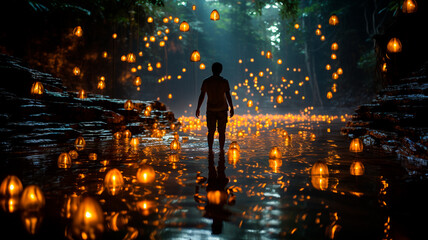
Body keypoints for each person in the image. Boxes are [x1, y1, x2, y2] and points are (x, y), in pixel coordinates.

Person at [196, 62, 234, 153]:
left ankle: (210, 150)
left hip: (211, 109)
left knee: (211, 131)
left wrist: (198, 108)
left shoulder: (207, 81)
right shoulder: (224, 81)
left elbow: (202, 95)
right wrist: (232, 107)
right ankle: (221, 150)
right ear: (221, 70)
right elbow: (228, 95)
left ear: (212, 70)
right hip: (222, 109)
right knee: (222, 132)